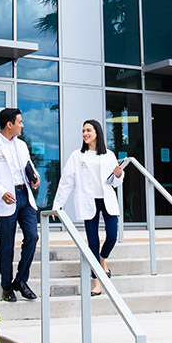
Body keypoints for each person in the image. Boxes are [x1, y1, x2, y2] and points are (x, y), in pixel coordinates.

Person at [52, 120, 124, 296]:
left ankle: (102, 259)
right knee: (92, 243)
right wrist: (57, 204)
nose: (85, 134)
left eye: (88, 130)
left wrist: (119, 175)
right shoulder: (77, 156)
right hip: (88, 201)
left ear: (97, 133)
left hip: (106, 200)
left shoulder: (109, 155)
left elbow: (115, 182)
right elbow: (67, 181)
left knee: (112, 237)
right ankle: (97, 282)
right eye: (83, 130)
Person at [0, 108, 40, 302]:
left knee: (32, 236)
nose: (22, 125)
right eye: (20, 122)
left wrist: (35, 177)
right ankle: (6, 286)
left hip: (24, 196)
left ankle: (20, 281)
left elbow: (28, 165)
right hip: (6, 198)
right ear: (9, 124)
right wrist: (0, 192)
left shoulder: (22, 145)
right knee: (7, 245)